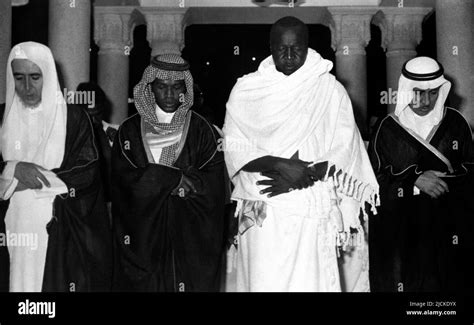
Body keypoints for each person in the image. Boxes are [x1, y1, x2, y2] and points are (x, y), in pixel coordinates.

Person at [223, 16, 379, 292]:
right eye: (282, 48)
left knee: (309, 283)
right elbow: (235, 149)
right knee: (264, 282)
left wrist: (303, 175)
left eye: (297, 47)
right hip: (265, 207)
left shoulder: (329, 89)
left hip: (311, 203)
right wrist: (281, 164)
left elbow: (345, 148)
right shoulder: (247, 89)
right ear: (270, 47)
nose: (289, 54)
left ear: (308, 46)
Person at [0, 42, 112, 292]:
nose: (27, 87)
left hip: (60, 233)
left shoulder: (73, 118)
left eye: (35, 77)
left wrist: (29, 180)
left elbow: (87, 171)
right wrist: (13, 169)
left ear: (48, 75)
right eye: (19, 78)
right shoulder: (2, 119)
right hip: (11, 231)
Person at [111, 54, 226, 292]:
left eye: (177, 87)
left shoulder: (202, 130)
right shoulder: (129, 131)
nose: (171, 95)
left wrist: (173, 183)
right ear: (150, 89)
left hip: (190, 242)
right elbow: (122, 184)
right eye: (162, 87)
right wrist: (171, 179)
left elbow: (215, 188)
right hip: (143, 242)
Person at [368, 56, 474, 292]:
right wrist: (413, 181)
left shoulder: (456, 123)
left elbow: (471, 173)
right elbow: (371, 181)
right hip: (400, 235)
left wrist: (444, 182)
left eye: (433, 92)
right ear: (406, 90)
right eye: (418, 92)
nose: (426, 100)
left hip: (447, 232)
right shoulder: (387, 128)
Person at [76, 82, 117, 221]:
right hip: (81, 210)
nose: (93, 121)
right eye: (88, 115)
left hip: (112, 207)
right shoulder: (66, 138)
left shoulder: (115, 133)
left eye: (97, 115)